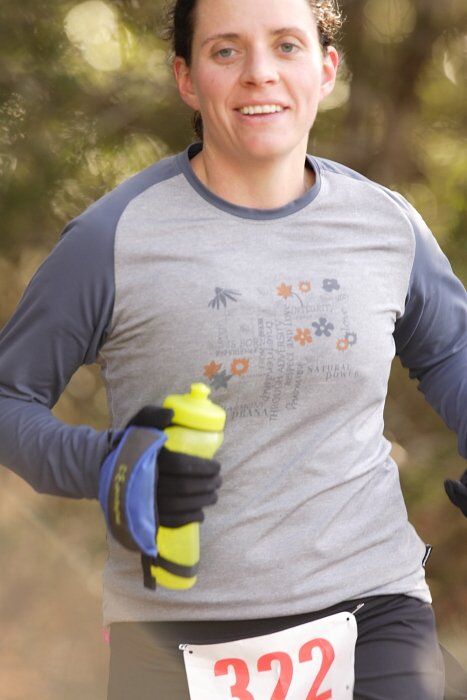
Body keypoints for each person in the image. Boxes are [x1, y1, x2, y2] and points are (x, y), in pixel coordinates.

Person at [0, 0, 465, 697]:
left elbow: (450, 353)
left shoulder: (384, 225)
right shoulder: (111, 240)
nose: (258, 75)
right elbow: (10, 398)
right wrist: (111, 466)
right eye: (225, 52)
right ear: (186, 79)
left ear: (325, 67)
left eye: (285, 46)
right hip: (170, 635)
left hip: (371, 607)